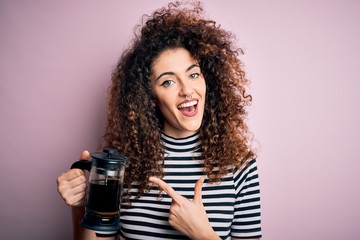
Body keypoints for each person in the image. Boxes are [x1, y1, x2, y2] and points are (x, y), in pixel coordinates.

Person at [57, 1, 262, 239]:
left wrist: (202, 233)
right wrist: (83, 202)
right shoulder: (120, 166)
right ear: (151, 98)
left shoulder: (240, 165)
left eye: (194, 74)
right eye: (168, 81)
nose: (187, 90)